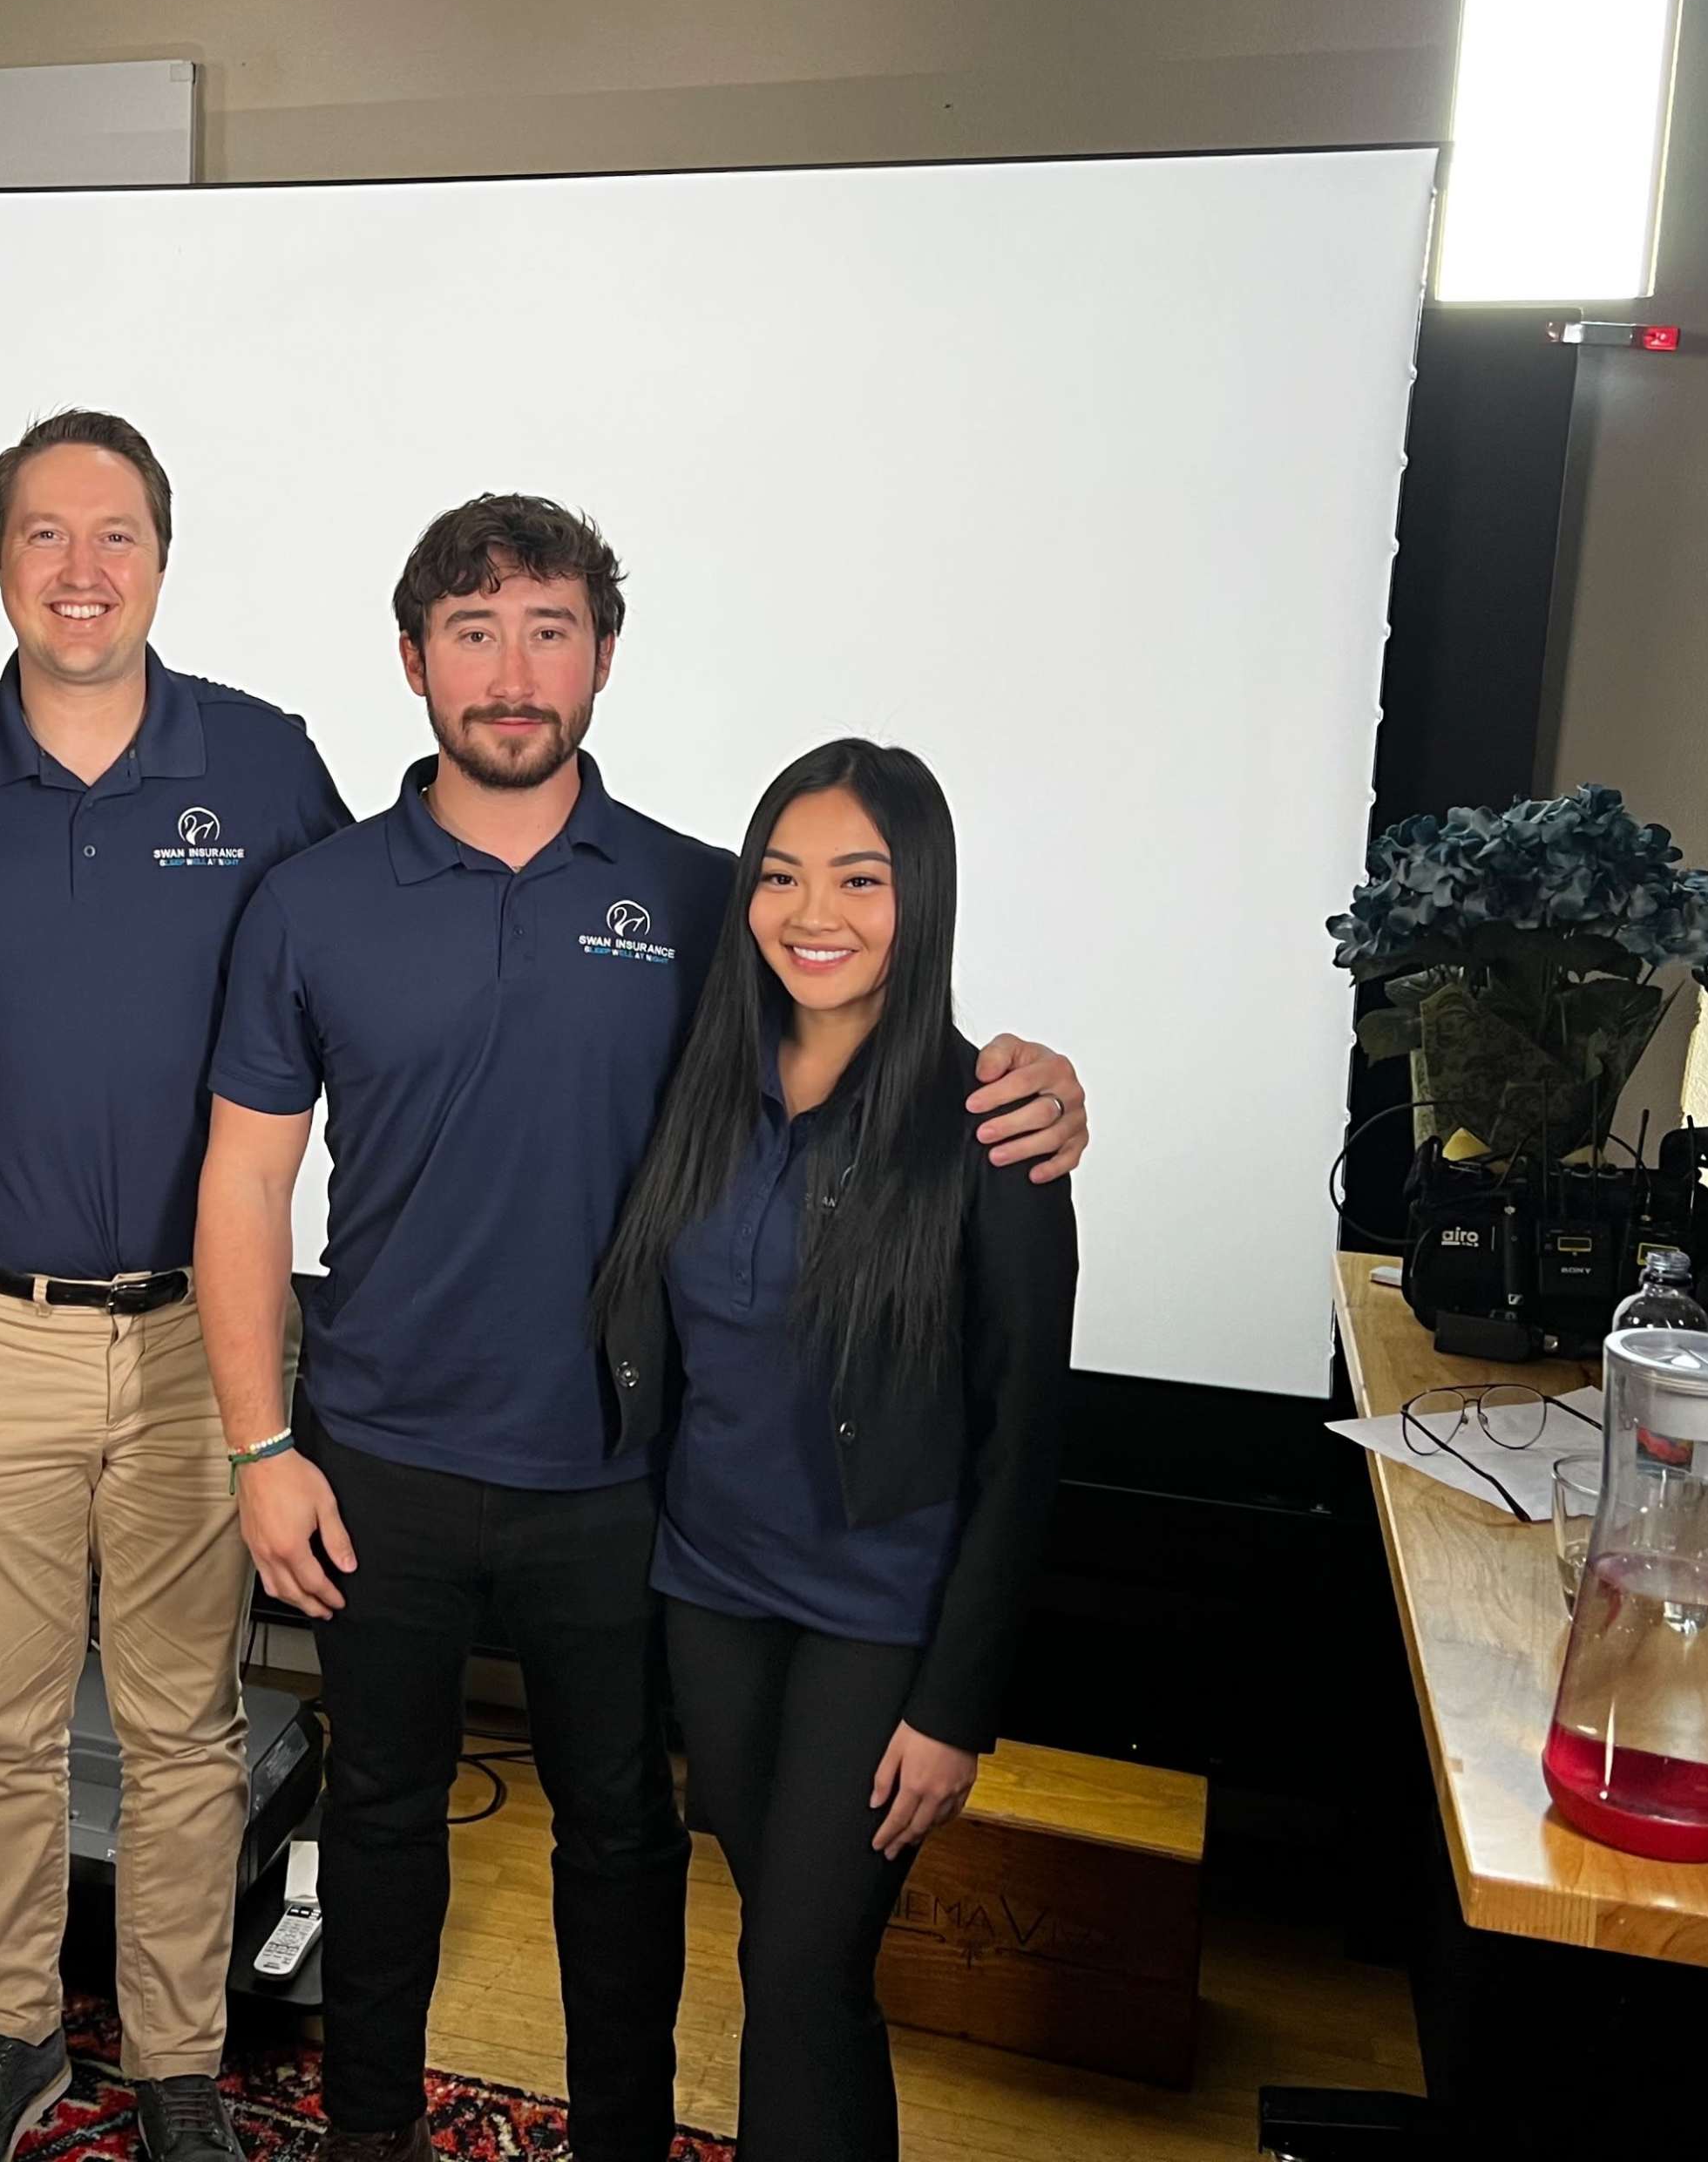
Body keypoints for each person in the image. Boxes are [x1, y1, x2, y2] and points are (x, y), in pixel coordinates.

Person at [192, 496, 1088, 2162]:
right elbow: (243, 1189)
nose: (511, 670)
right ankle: (365, 2138)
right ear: (413, 662)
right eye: (473, 632)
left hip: (625, 1487)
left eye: (548, 628)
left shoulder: (702, 900)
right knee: (381, 1824)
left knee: (621, 1840)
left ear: (603, 657)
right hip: (371, 1461)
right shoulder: (312, 903)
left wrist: (1026, 1084)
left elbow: (865, 1032)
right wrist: (264, 1447)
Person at [0, 412, 349, 2162]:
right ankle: (11, 2042)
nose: (83, 568)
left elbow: (384, 973)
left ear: (164, 554)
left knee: (183, 1729)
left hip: (197, 1344)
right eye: (46, 536)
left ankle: (175, 2066)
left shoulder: (270, 767)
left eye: (118, 533)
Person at [593, 739, 1078, 2161]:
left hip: (880, 1620)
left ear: (918, 899)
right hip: (713, 1597)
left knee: (797, 1969)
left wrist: (957, 1708)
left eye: (860, 878)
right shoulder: (702, 1083)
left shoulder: (989, 1123)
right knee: (798, 1958)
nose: (818, 911)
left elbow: (1023, 1438)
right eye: (783, 875)